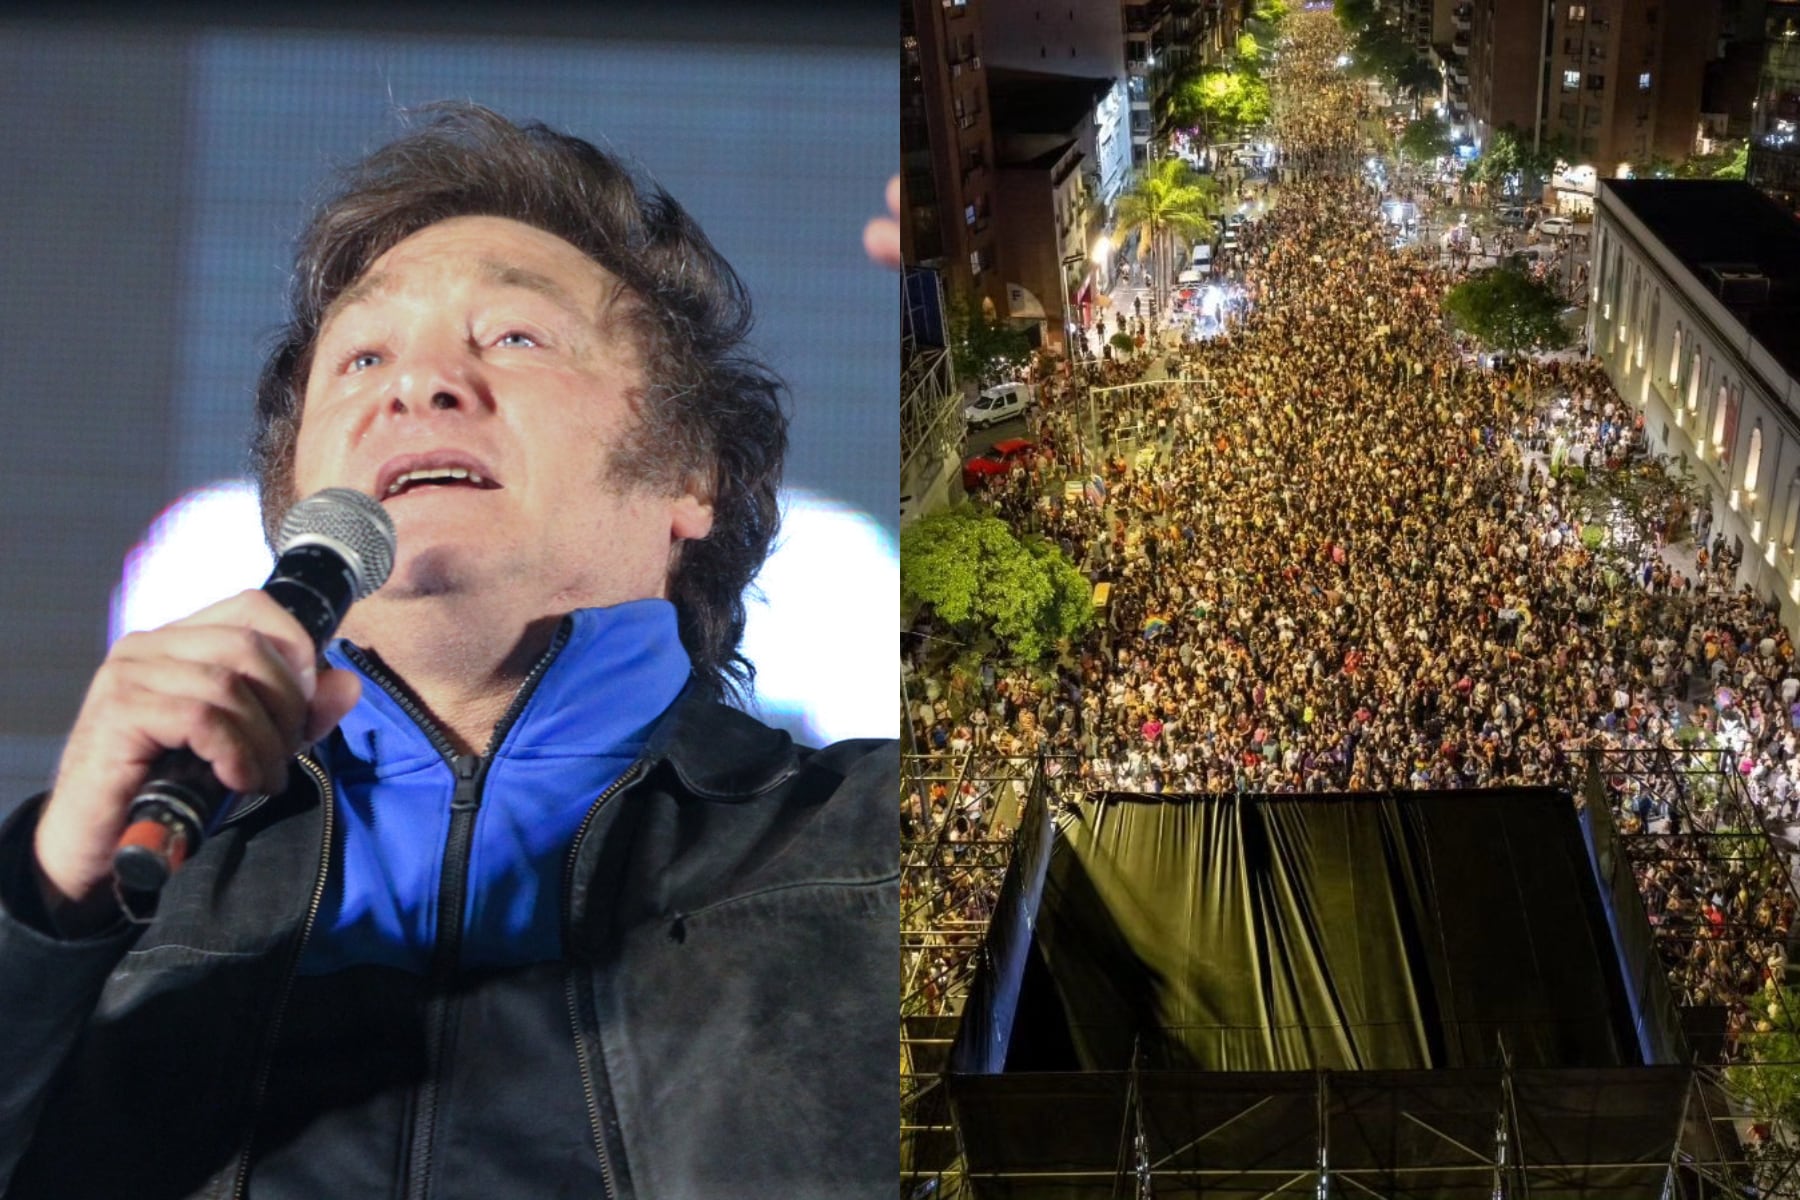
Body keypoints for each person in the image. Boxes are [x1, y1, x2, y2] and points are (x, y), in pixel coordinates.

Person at [0, 104, 895, 1199]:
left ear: (690, 475)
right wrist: (43, 921)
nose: (414, 385)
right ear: (297, 503)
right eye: (363, 355)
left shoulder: (874, 845)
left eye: (514, 338)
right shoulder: (96, 906)